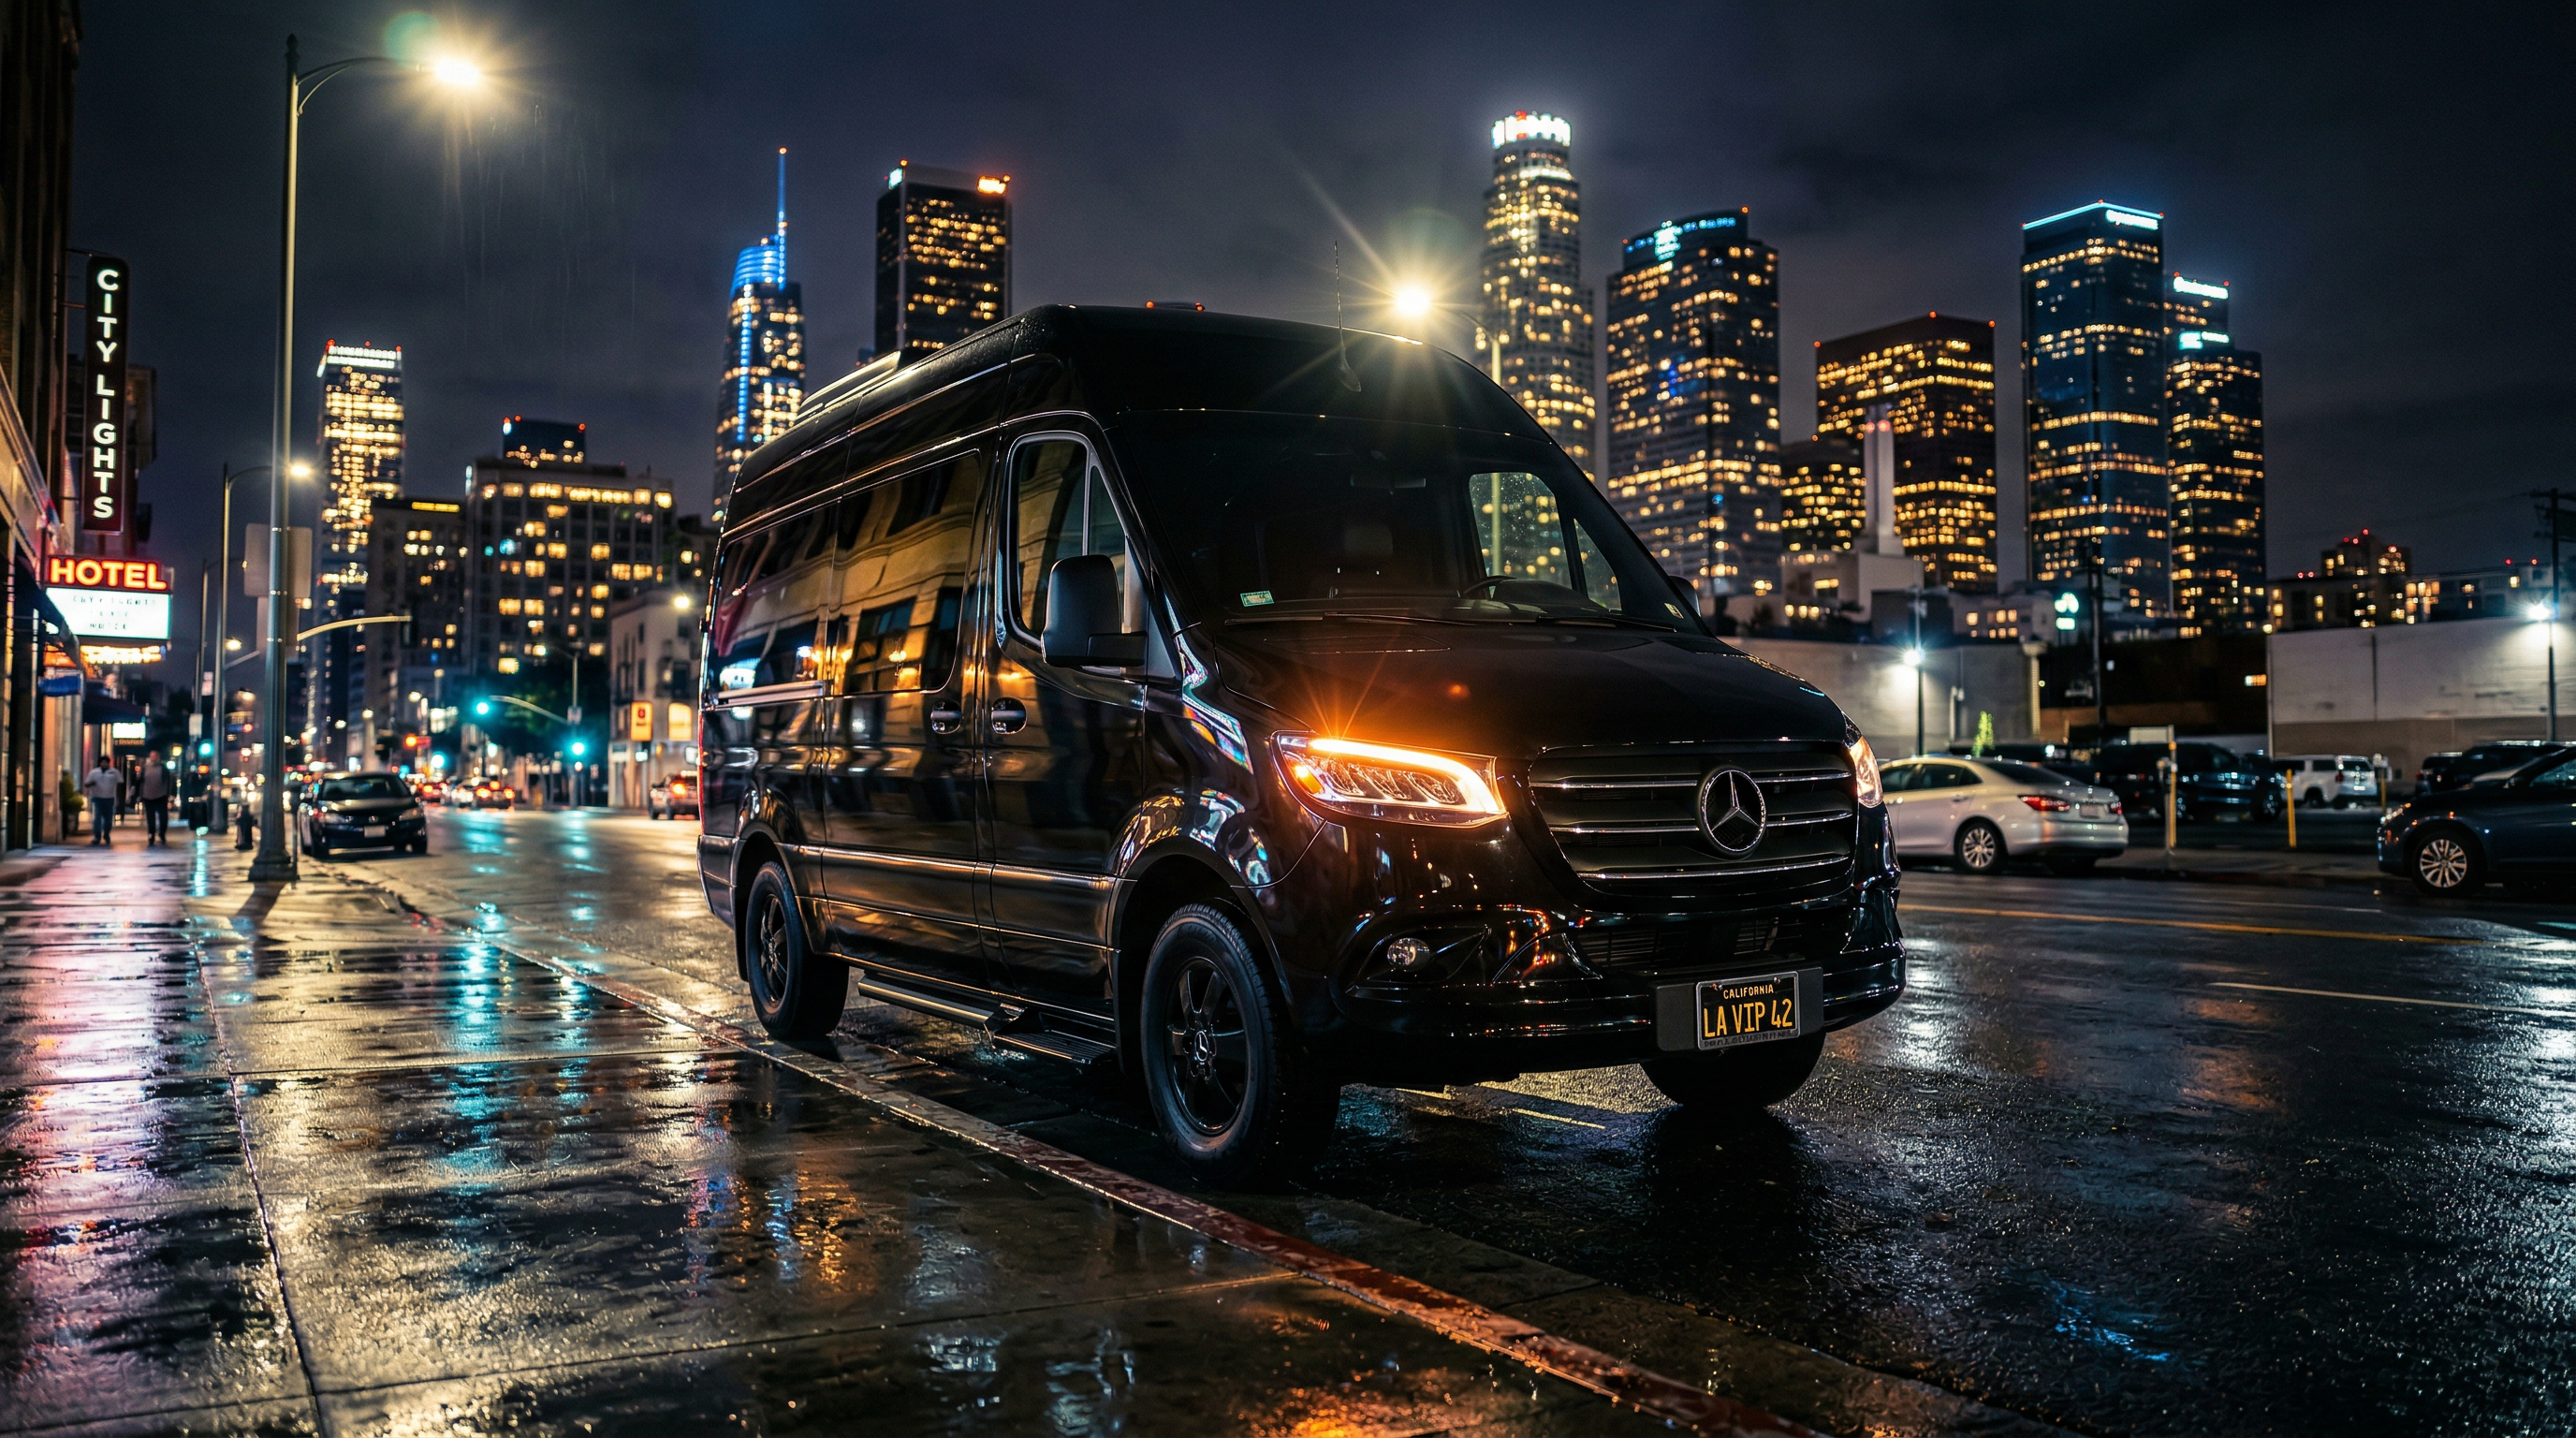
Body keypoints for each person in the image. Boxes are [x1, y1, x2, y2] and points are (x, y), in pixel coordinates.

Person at [137, 752, 172, 846]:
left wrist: (168, 794)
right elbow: (140, 782)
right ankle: (151, 834)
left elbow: (168, 781)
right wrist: (141, 794)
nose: (154, 758)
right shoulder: (145, 768)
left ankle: (162, 833)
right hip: (148, 796)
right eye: (152, 756)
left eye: (155, 756)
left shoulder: (163, 768)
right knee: (150, 817)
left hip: (161, 795)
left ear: (159, 757)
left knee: (163, 817)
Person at [81, 759, 120, 846]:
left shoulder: (114, 772)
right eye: (102, 762)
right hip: (97, 798)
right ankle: (97, 837)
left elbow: (120, 782)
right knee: (97, 818)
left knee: (108, 819)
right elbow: (86, 783)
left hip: (109, 798)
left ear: (108, 763)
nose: (104, 764)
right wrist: (91, 783)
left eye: (105, 762)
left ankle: (106, 834)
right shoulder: (94, 772)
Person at [56, 768, 79, 844]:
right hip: (67, 801)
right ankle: (65, 834)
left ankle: (64, 834)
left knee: (64, 819)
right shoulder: (70, 781)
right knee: (65, 818)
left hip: (63, 802)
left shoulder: (63, 781)